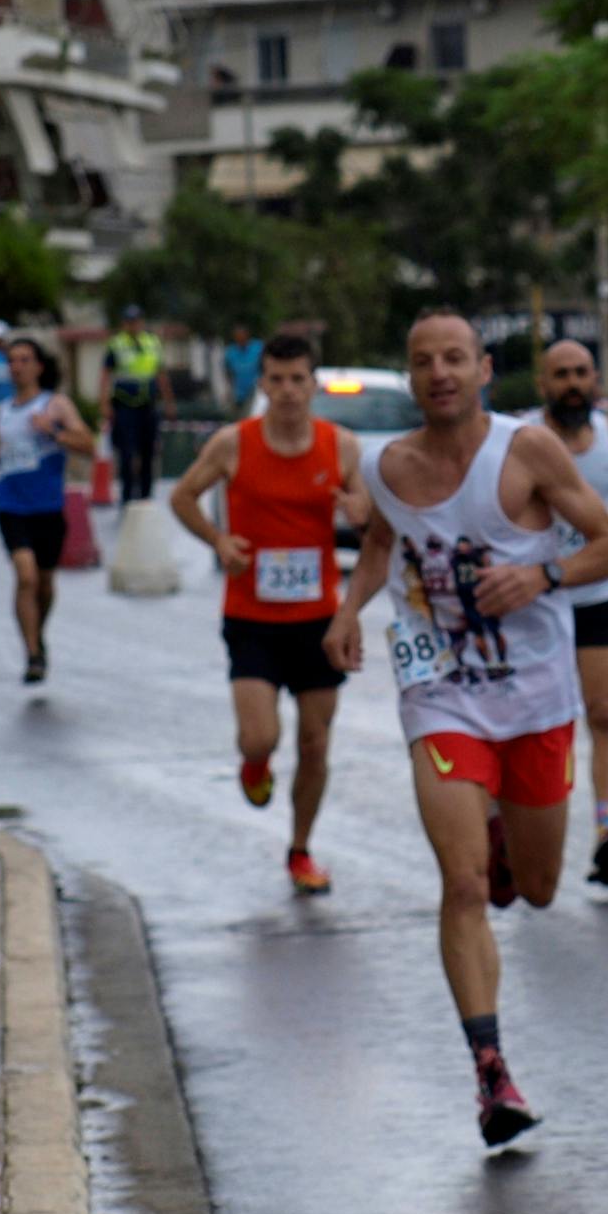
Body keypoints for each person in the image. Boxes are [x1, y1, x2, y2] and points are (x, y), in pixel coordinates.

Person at [324, 311, 608, 1148]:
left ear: (484, 368)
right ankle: (492, 1073)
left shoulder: (527, 452)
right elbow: (383, 541)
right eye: (422, 361)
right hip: (441, 693)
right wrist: (349, 609)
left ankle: (503, 837)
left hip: (534, 700)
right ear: (412, 377)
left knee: (534, 888)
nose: (439, 373)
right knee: (461, 887)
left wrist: (542, 574)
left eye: (454, 358)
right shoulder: (387, 466)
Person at [169, 331, 372, 897]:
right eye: (276, 380)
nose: (287, 391)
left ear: (314, 384)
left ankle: (300, 849)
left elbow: (368, 517)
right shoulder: (234, 444)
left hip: (317, 622)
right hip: (252, 618)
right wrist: (217, 540)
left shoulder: (341, 447)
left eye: (297, 380)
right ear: (262, 384)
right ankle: (254, 765)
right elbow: (182, 496)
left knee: (314, 744)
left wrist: (362, 514)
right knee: (259, 737)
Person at [533, 338, 608, 890]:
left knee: (604, 713)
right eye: (561, 375)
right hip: (537, 598)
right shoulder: (521, 438)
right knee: (538, 724)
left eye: (581, 373)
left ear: (595, 379)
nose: (573, 383)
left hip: (601, 592)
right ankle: (516, 825)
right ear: (542, 384)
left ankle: (607, 830)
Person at [0, 337, 95, 685]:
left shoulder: (56, 405)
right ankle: (33, 652)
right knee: (25, 576)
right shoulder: (1, 410)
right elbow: (4, 453)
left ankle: (37, 630)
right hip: (11, 504)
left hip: (48, 507)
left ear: (39, 366)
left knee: (45, 584)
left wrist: (53, 431)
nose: (17, 366)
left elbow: (88, 445)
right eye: (12, 361)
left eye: (24, 360)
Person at [103, 304, 172, 504]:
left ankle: (145, 495)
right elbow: (106, 375)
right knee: (126, 452)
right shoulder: (116, 344)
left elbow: (161, 374)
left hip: (148, 405)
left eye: (136, 321)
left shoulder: (152, 342)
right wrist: (104, 404)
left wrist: (169, 402)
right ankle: (126, 495)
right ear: (124, 323)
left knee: (148, 451)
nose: (133, 325)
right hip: (125, 405)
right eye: (129, 321)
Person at [223, 322, 264, 413]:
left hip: (255, 389)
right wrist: (229, 388)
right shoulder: (230, 352)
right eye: (237, 336)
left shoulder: (258, 347)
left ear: (247, 335)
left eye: (241, 335)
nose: (240, 338)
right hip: (239, 392)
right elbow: (228, 371)